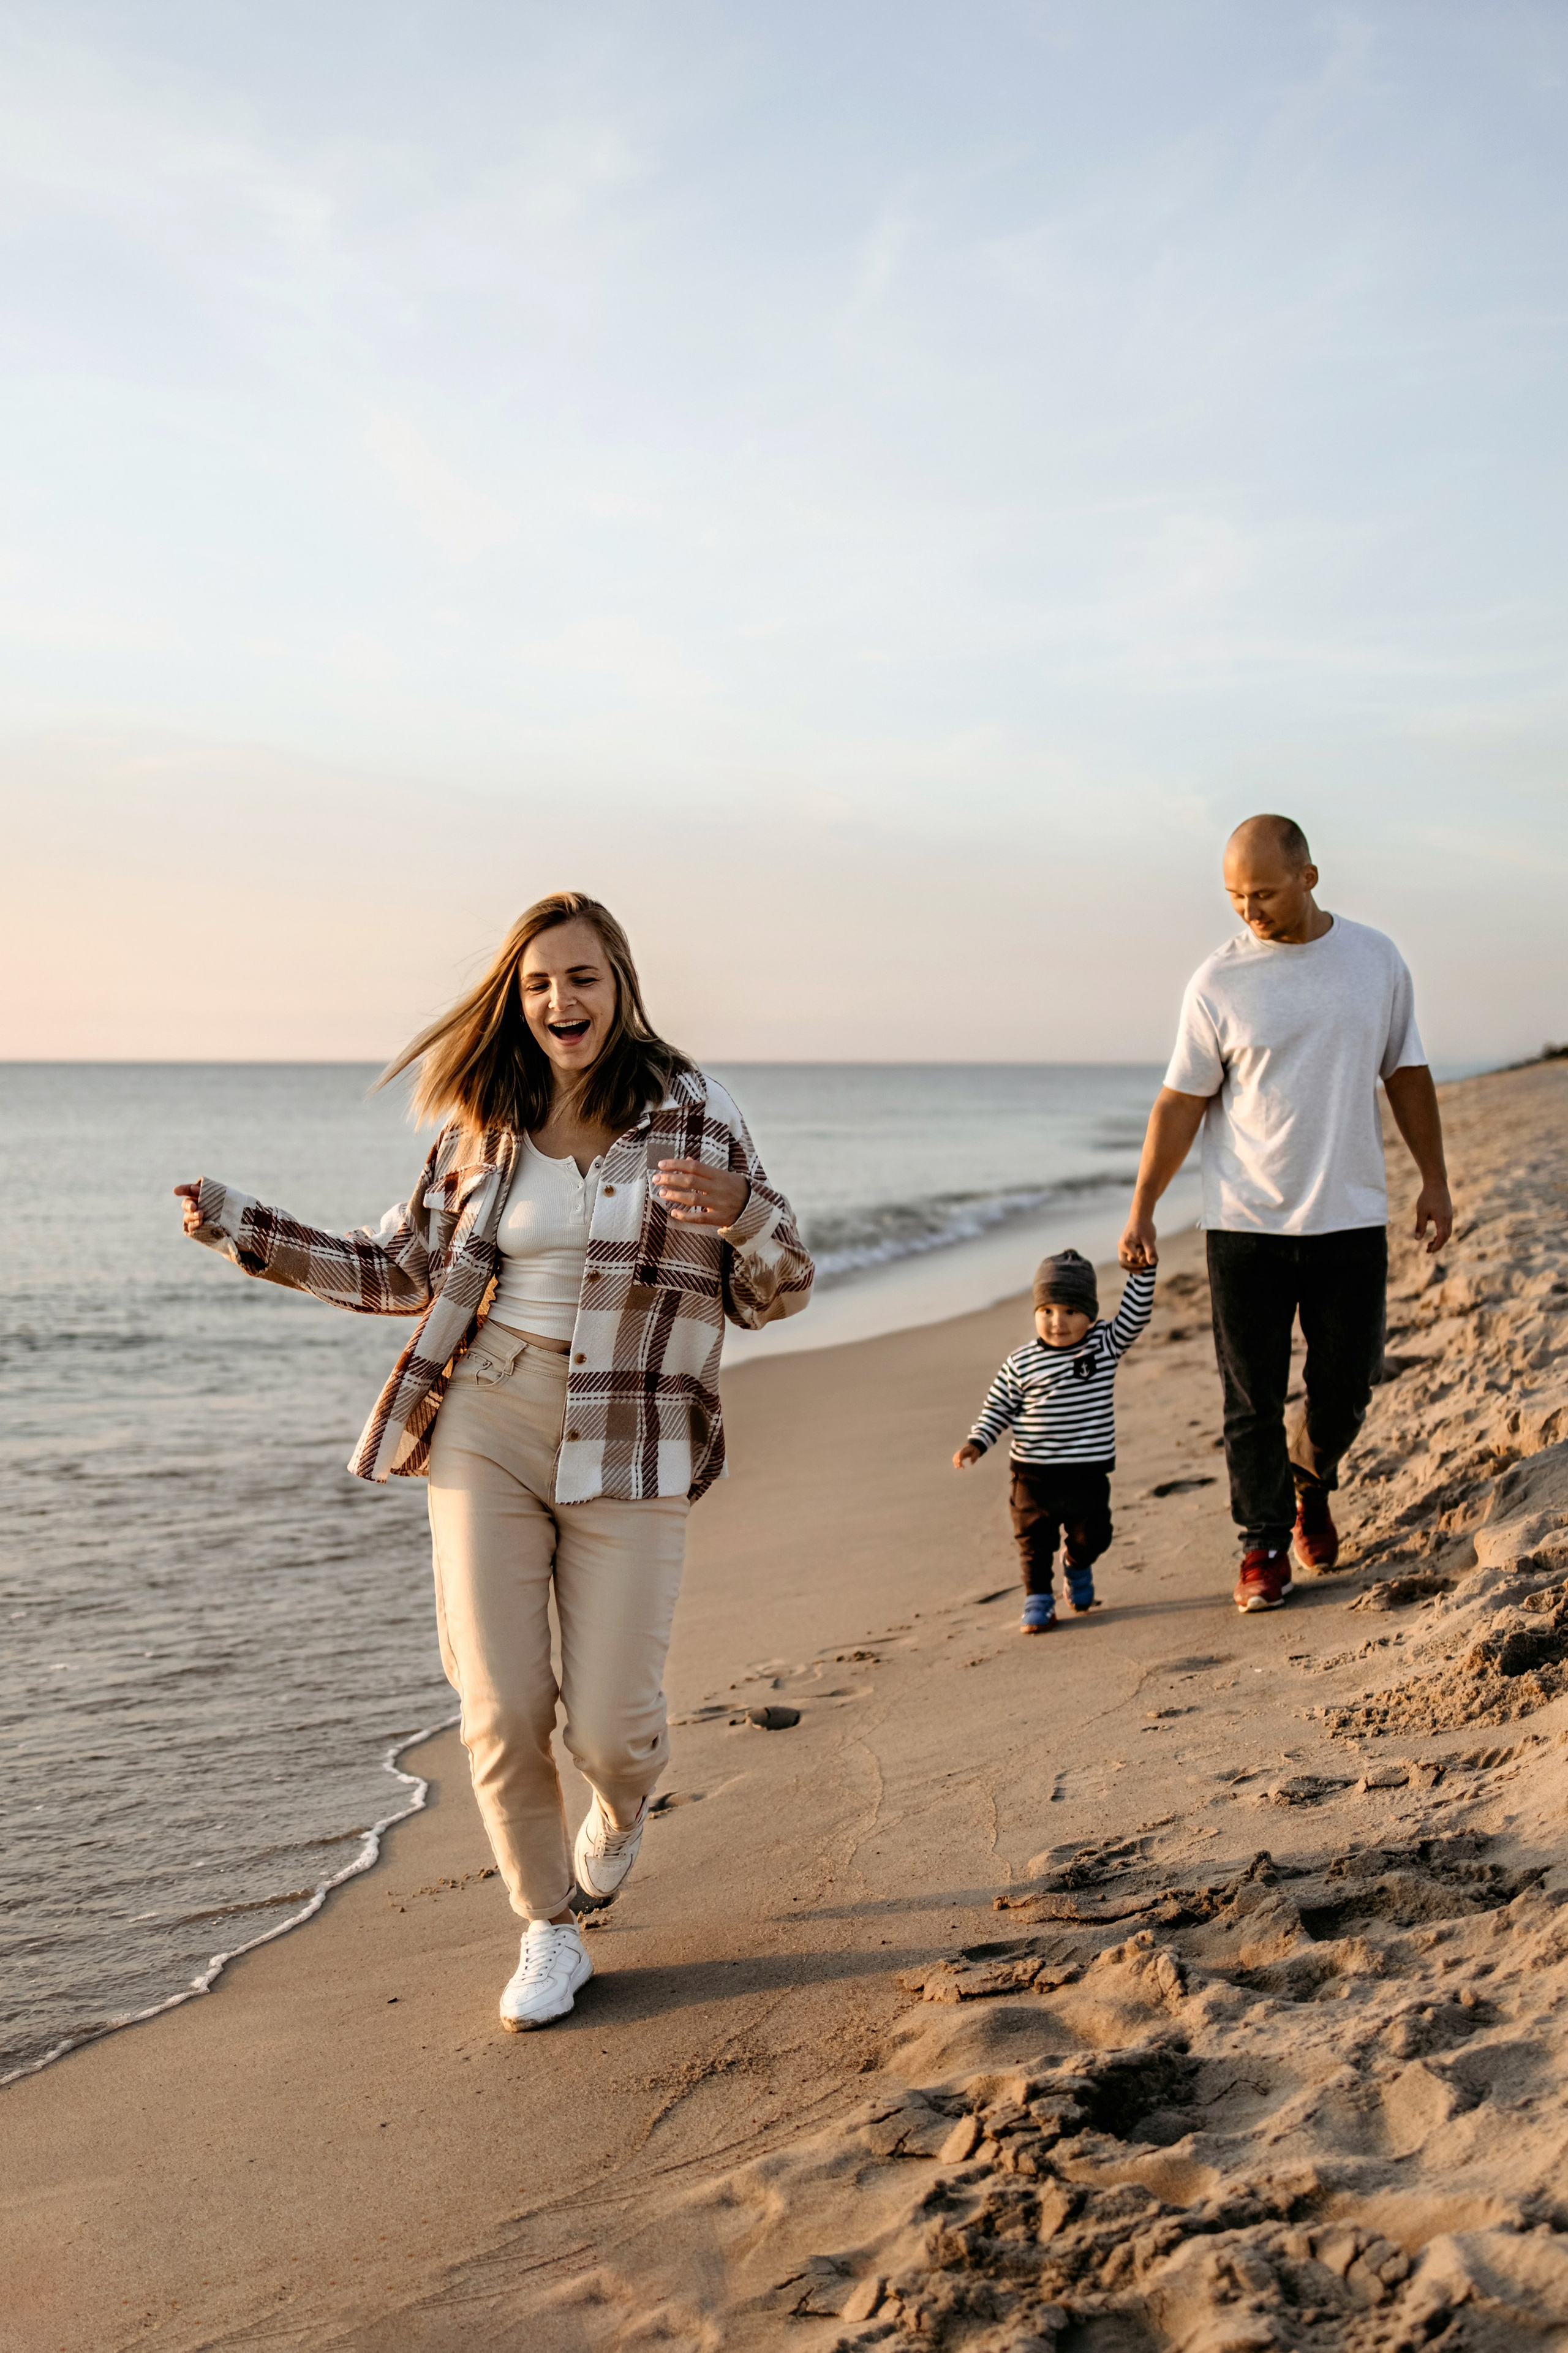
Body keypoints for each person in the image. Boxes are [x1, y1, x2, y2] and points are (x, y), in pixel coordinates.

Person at [175, 891, 813, 2031]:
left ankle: (616, 1820)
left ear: (620, 987)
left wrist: (747, 1212)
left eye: (580, 978)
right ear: (517, 1001)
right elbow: (398, 1271)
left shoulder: (697, 1114)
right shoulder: (482, 1122)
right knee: (498, 1699)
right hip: (488, 1413)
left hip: (632, 1432)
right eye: (537, 984)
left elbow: (777, 1293)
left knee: (616, 1730)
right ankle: (546, 1925)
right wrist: (248, 1228)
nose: (559, 1001)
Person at [1119, 815, 1451, 1615]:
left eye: (1262, 892)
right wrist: (1144, 1205)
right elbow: (1181, 1101)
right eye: (1234, 896)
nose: (1248, 911)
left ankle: (1310, 1477)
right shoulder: (1219, 982)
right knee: (1251, 1399)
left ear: (1308, 876)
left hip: (1348, 1216)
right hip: (1244, 1225)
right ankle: (1262, 1545)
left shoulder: (1374, 960)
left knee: (1347, 1381)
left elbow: (1406, 1073)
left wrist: (1434, 1179)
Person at [954, 1248, 1155, 1633]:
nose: (1057, 1322)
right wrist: (977, 1442)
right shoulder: (1021, 1362)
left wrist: (1143, 1273)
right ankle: (1039, 1600)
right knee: (1033, 1543)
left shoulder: (1103, 1346)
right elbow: (998, 1406)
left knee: (1094, 1536)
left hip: (1087, 1474)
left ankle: (1077, 1565)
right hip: (1032, 1476)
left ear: (1090, 1315)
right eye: (1047, 1311)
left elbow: (1136, 1316)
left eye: (1070, 1311)